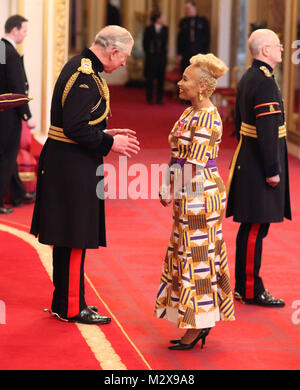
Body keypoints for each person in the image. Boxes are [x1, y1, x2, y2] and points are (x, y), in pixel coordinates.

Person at [30, 25, 140, 325]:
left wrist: (103, 132)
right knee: (75, 236)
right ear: (113, 51)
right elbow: (75, 127)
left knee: (69, 236)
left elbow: (79, 122)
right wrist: (110, 142)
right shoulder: (84, 76)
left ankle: (64, 301)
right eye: (124, 57)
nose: (124, 63)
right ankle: (71, 307)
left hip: (70, 161)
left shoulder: (84, 68)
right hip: (71, 165)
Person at [154, 53, 235, 350]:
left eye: (185, 79)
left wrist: (173, 189)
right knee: (186, 255)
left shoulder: (208, 117)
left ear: (201, 87)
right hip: (188, 192)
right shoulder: (189, 112)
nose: (179, 82)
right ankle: (194, 321)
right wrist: (167, 184)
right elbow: (177, 154)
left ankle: (200, 325)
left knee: (197, 260)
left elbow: (194, 164)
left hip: (201, 196)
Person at [226, 29, 292, 307]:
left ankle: (244, 285)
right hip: (258, 163)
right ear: (265, 51)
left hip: (248, 159)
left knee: (252, 226)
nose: (282, 50)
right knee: (255, 227)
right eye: (278, 46)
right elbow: (266, 129)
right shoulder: (264, 82)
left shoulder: (251, 76)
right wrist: (272, 169)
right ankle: (250, 288)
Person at [0, 15, 36, 214]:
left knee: (8, 156)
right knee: (6, 157)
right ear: (14, 30)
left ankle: (18, 193)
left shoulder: (0, 49)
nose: (25, 34)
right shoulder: (11, 53)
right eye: (24, 30)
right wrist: (27, 116)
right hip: (8, 114)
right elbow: (16, 89)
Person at [177, 1, 210, 74]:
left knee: (198, 74)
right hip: (185, 54)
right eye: (186, 9)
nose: (187, 10)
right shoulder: (183, 22)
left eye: (189, 8)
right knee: (185, 74)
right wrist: (179, 53)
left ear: (194, 8)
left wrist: (205, 53)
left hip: (199, 53)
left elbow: (207, 38)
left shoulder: (203, 21)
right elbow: (180, 39)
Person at [143, 11, 168, 105]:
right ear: (158, 19)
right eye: (163, 17)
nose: (164, 19)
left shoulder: (165, 29)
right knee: (150, 78)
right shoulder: (149, 29)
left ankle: (159, 99)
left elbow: (165, 43)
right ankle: (149, 98)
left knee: (161, 78)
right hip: (151, 57)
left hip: (161, 57)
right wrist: (149, 53)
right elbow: (145, 43)